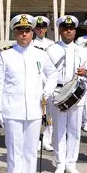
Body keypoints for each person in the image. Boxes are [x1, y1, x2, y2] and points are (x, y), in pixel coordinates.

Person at [0, 13, 57, 173]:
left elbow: (52, 75)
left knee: (30, 151)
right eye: (20, 30)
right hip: (12, 110)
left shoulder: (40, 54)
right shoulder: (5, 55)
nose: (24, 34)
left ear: (32, 33)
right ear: (14, 32)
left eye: (27, 30)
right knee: (14, 151)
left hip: (35, 110)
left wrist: (47, 91)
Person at [46, 15, 87, 173]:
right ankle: (60, 163)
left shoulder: (82, 50)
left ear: (75, 31)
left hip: (77, 94)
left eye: (71, 29)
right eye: (65, 28)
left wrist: (86, 72)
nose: (68, 31)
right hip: (58, 93)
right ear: (60, 30)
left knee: (75, 130)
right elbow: (45, 73)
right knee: (59, 130)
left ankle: (71, 163)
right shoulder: (52, 49)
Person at [33, 16, 56, 152]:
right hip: (37, 81)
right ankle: (36, 139)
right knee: (37, 112)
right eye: (38, 27)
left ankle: (47, 139)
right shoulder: (31, 43)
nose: (41, 30)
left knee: (49, 114)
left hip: (49, 82)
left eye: (43, 28)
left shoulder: (51, 43)